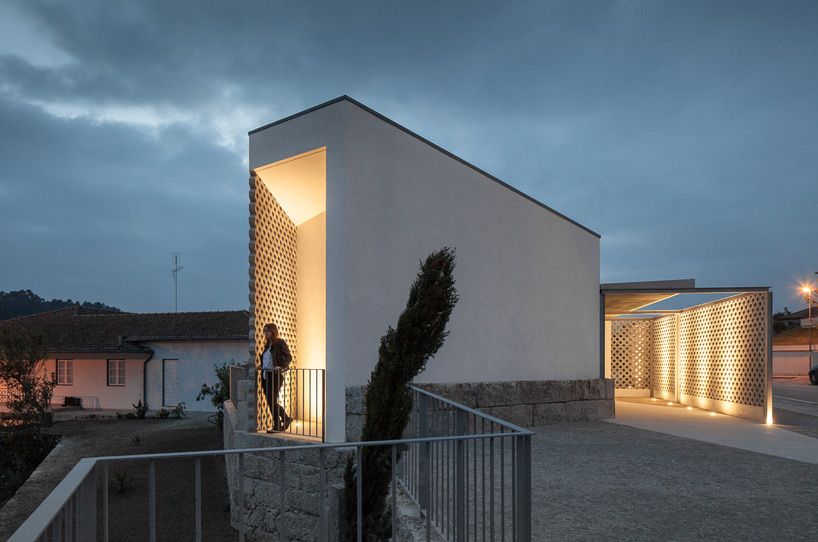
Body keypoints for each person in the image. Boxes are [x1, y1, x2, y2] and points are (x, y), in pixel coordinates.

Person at [260, 323, 293, 431]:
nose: (265, 333)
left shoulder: (279, 342)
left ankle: (280, 422)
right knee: (270, 402)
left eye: (267, 331)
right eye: (264, 331)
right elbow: (267, 361)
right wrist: (260, 366)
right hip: (265, 376)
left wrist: (281, 366)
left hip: (274, 376)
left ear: (273, 332)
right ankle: (282, 421)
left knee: (272, 401)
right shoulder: (267, 346)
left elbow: (288, 357)